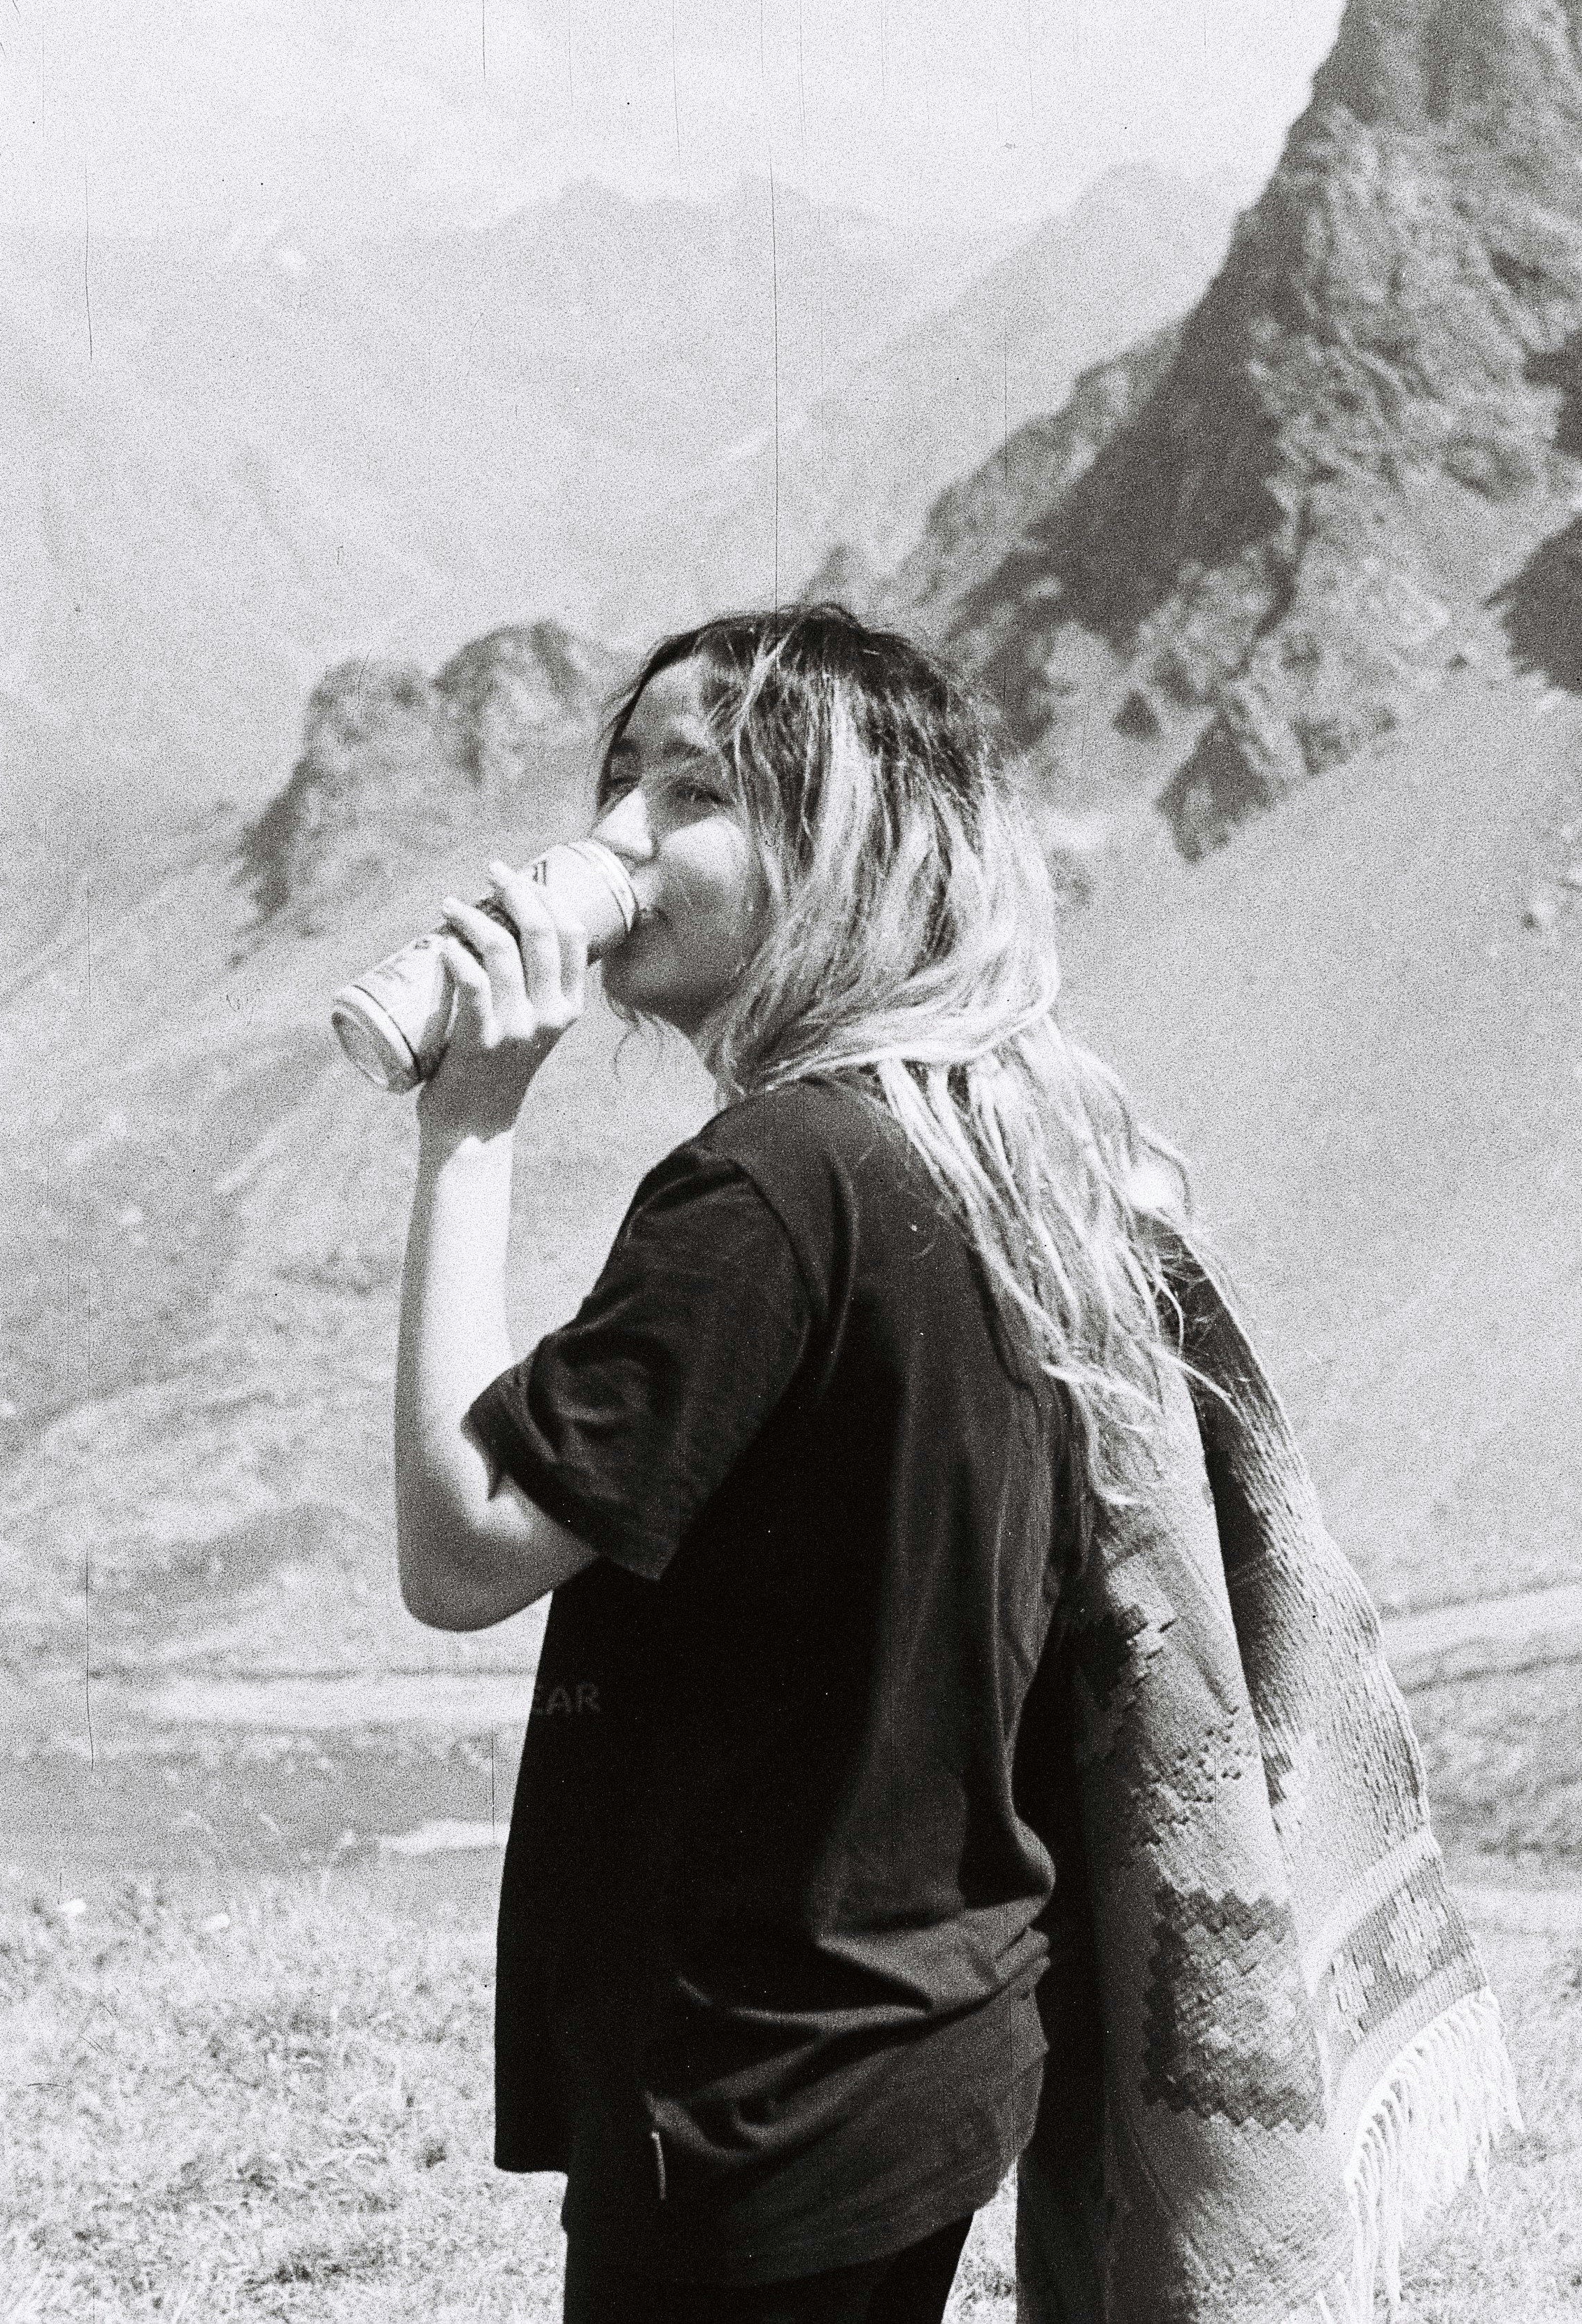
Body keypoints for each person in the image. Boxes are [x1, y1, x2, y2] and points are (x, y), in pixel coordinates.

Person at [391, 604, 1191, 2324]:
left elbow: (461, 1549)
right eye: (616, 785)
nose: (605, 845)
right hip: (928, 2028)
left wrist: (469, 1124)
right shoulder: (1000, 1138)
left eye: (685, 795)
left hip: (754, 2081)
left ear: (835, 850)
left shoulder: (768, 1184)